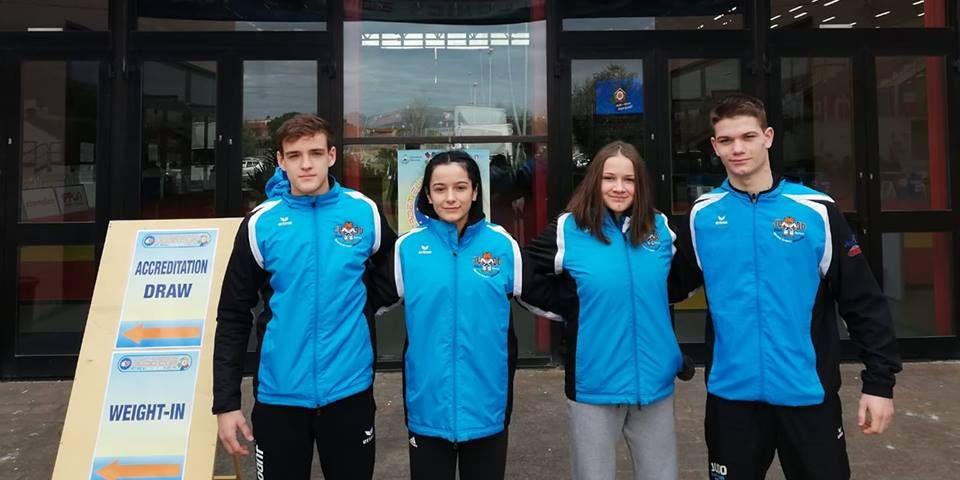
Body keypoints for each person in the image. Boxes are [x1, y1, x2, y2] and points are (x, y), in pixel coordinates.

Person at [670, 94, 901, 480]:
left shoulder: (817, 211)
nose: (737, 148)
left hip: (807, 395)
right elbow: (666, 287)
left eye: (748, 136)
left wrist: (880, 384)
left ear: (768, 137)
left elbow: (863, 302)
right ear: (714, 146)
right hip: (732, 398)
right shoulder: (702, 215)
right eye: (726, 140)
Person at [212, 113, 396, 480]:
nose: (306, 164)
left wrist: (362, 305)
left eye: (315, 153)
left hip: (349, 391)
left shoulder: (364, 212)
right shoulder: (260, 223)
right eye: (295, 155)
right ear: (281, 161)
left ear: (331, 156)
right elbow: (233, 313)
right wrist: (226, 403)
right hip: (279, 395)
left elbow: (394, 267)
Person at [375, 150, 551, 480]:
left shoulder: (501, 245)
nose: (451, 197)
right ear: (428, 195)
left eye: (460, 187)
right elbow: (360, 303)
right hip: (428, 407)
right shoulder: (407, 249)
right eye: (440, 189)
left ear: (475, 191)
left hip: (487, 406)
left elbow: (549, 299)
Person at [525, 140, 686, 480]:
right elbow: (523, 274)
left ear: (641, 185)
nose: (619, 187)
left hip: (655, 383)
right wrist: (572, 307)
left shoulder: (660, 228)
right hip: (594, 384)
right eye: (609, 178)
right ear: (594, 181)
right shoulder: (568, 229)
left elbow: (677, 281)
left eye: (629, 180)